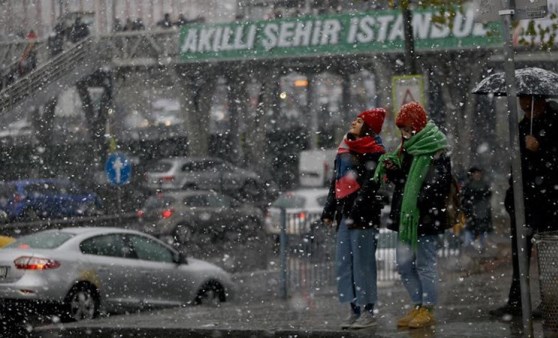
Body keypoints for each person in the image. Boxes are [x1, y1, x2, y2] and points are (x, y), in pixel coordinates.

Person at [373, 101, 451, 329]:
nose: (405, 134)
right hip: (406, 218)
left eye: (408, 128)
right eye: (402, 130)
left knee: (425, 264)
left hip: (425, 217)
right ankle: (418, 305)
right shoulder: (406, 149)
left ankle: (428, 308)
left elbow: (439, 185)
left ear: (417, 125)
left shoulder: (435, 148)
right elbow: (403, 183)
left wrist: (419, 199)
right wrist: (393, 171)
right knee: (404, 264)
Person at [489, 95, 558, 320]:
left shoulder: (554, 123)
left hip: (550, 201)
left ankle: (550, 300)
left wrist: (541, 149)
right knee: (521, 253)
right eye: (522, 101)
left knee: (550, 256)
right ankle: (517, 301)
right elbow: (517, 166)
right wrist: (511, 199)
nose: (525, 106)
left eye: (529, 102)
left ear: (540, 100)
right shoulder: (521, 127)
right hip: (524, 202)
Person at [321, 108, 387, 330]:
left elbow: (371, 184)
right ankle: (353, 309)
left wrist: (357, 208)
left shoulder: (374, 152)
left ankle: (367, 310)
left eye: (359, 121)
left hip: (363, 217)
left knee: (363, 264)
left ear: (368, 127)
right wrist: (329, 210)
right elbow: (336, 182)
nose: (353, 122)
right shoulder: (344, 149)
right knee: (344, 263)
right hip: (345, 216)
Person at [460, 166, 492, 251]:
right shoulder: (468, 186)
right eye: (475, 173)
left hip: (482, 213)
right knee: (470, 234)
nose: (477, 175)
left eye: (478, 173)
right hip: (472, 214)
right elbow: (465, 200)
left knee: (481, 235)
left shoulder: (484, 185)